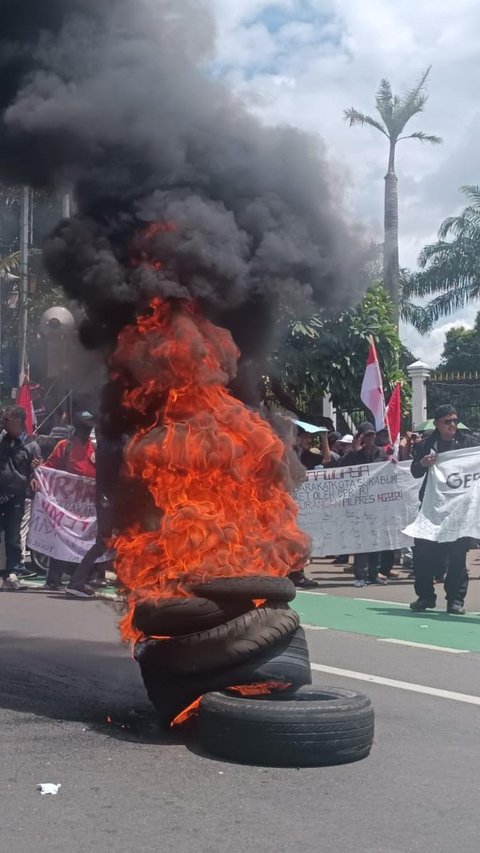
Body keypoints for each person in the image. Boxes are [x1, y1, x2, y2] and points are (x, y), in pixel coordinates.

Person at [409, 404, 479, 614]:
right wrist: (422, 463)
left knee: (458, 555)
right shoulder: (425, 445)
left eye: (455, 421)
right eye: (447, 421)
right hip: (432, 509)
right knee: (422, 551)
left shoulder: (469, 444)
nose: (452, 425)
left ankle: (455, 600)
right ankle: (425, 597)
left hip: (460, 510)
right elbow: (415, 472)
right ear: (437, 423)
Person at [40, 410, 96, 590]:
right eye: (84, 426)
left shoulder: (93, 448)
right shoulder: (65, 446)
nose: (87, 430)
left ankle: (80, 578)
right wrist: (37, 476)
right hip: (66, 503)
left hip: (86, 505)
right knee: (61, 540)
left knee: (84, 542)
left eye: (90, 426)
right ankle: (53, 579)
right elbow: (48, 468)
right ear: (77, 427)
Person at [338, 422, 389, 587]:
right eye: (367, 435)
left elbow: (380, 469)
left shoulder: (379, 452)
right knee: (361, 541)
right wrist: (355, 450)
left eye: (372, 434)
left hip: (375, 503)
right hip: (358, 504)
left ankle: (374, 574)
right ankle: (361, 575)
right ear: (360, 437)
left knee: (375, 539)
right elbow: (341, 468)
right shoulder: (353, 455)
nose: (371, 438)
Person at [0, 406, 41, 591]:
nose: (7, 427)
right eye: (5, 423)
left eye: (11, 424)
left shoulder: (31, 446)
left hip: (16, 497)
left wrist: (35, 473)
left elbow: (35, 473)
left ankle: (12, 573)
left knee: (13, 536)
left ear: (21, 424)